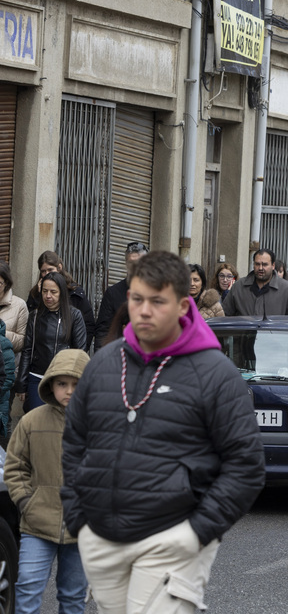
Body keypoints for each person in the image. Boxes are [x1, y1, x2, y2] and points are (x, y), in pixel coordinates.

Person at [61, 251, 265, 613]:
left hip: (172, 534)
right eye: (137, 299)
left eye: (158, 301)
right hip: (101, 536)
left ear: (183, 307)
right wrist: (80, 520)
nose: (143, 310)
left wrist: (196, 534)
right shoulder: (105, 362)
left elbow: (246, 465)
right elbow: (75, 442)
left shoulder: (215, 372)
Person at [5, 348, 90, 614]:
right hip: (37, 523)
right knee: (27, 589)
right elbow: (15, 466)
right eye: (62, 383)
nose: (69, 391)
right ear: (50, 383)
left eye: (78, 384)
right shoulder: (31, 421)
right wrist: (26, 502)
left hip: (82, 527)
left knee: (73, 596)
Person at [16, 273, 87, 412]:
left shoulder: (74, 316)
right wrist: (21, 383)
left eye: (53, 292)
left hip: (63, 379)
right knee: (37, 422)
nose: (48, 296)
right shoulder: (35, 316)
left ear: (62, 292)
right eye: (44, 291)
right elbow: (27, 350)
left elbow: (80, 352)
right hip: (37, 377)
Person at [27, 253, 95, 351]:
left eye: (50, 270)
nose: (47, 274)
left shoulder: (75, 292)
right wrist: (39, 296)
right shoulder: (35, 293)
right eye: (43, 271)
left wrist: (80, 352)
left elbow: (88, 324)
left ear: (59, 268)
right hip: (41, 353)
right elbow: (31, 322)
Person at [95, 242, 148, 345]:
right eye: (131, 263)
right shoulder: (113, 293)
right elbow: (103, 332)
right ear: (126, 264)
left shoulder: (157, 292)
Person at [222, 249, 288, 317]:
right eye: (257, 264)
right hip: (244, 336)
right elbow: (224, 316)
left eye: (265, 264)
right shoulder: (239, 287)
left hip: (275, 336)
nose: (260, 268)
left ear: (273, 265)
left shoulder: (287, 290)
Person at [0, 260, 29, 352]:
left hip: (6, 362)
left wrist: (2, 334)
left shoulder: (19, 305)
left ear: (6, 283)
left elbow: (23, 341)